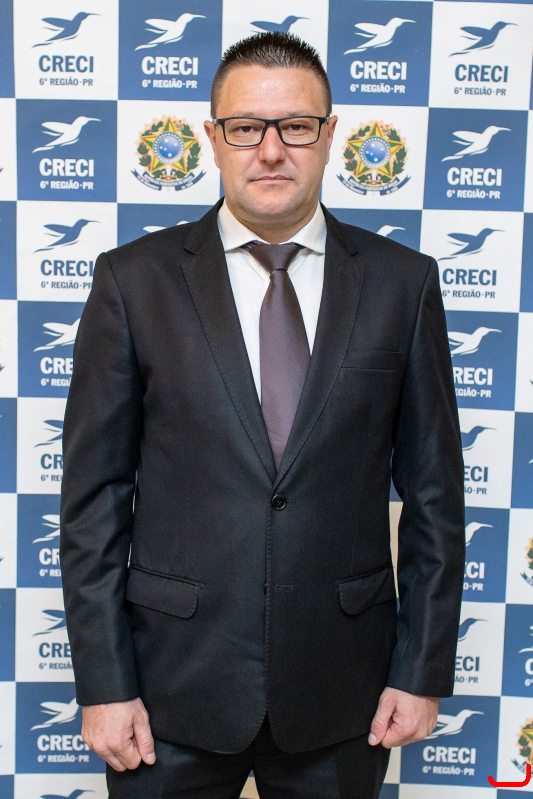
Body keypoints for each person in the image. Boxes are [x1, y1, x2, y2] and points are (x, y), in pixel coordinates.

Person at [60, 32, 465, 799]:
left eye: (296, 126)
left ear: (330, 134)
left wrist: (419, 670)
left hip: (342, 692)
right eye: (246, 127)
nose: (271, 150)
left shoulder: (401, 283)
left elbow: (436, 498)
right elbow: (93, 501)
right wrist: (105, 684)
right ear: (212, 138)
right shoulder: (132, 282)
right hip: (168, 691)